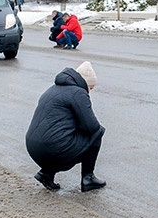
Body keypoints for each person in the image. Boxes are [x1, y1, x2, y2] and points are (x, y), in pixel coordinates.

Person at [25, 61, 106, 192]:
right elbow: (91, 127)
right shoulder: (78, 93)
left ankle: (46, 174)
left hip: (33, 147)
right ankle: (88, 178)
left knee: (59, 136)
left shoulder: (52, 89)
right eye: (91, 88)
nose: (90, 91)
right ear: (85, 83)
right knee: (98, 132)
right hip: (53, 148)